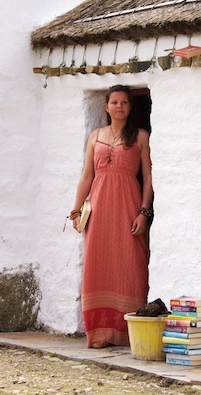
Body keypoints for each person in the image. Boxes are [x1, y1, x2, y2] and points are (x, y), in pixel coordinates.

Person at [70, 85, 153, 349]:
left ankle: (129, 332)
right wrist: (75, 209)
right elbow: (86, 176)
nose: (119, 106)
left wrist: (143, 211)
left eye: (124, 103)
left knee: (130, 261)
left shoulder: (140, 136)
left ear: (130, 107)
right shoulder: (96, 136)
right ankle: (99, 333)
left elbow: (149, 177)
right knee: (99, 261)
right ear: (106, 107)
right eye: (114, 102)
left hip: (128, 205)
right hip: (99, 207)